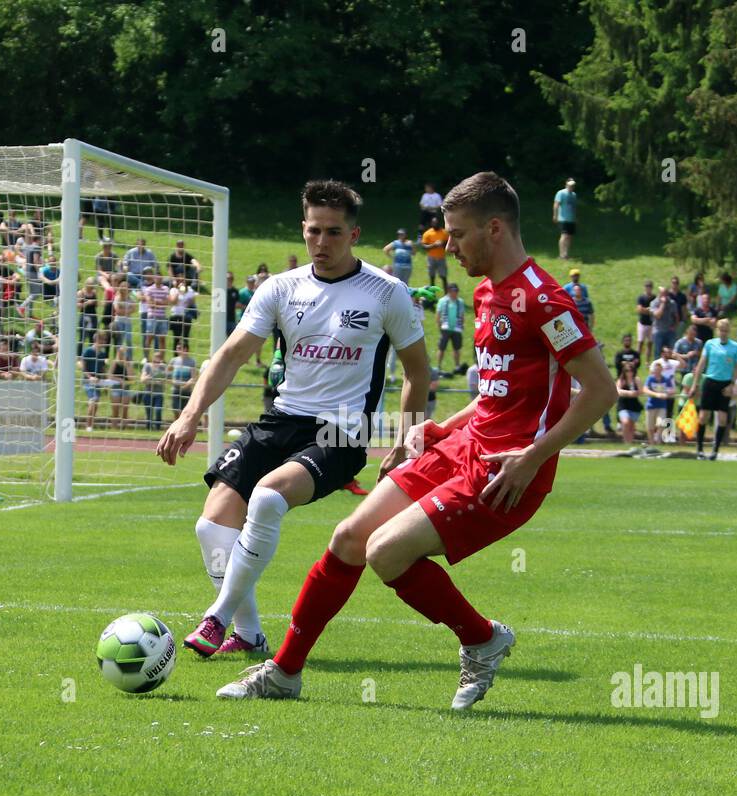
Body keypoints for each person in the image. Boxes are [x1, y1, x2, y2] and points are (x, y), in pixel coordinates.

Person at [216, 171, 614, 707]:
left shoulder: (544, 300)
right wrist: (441, 426)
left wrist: (532, 457)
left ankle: (480, 637)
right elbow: (497, 393)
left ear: (494, 229)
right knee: (349, 537)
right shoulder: (487, 291)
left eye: (457, 235)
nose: (448, 248)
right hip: (464, 445)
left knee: (384, 553)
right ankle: (284, 673)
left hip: (506, 470)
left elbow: (600, 390)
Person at [157, 179, 430, 659]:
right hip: (282, 419)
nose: (321, 243)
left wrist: (408, 438)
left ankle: (216, 617)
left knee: (267, 496)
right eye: (313, 231)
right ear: (302, 230)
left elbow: (417, 370)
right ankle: (249, 633)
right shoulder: (281, 289)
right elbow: (230, 355)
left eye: (333, 232)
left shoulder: (387, 293)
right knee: (212, 525)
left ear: (354, 234)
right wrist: (190, 415)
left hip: (341, 431)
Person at [642, 359, 675, 444]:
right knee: (650, 426)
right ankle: (651, 442)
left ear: (662, 370)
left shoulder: (666, 379)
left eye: (659, 369)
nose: (658, 371)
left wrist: (666, 393)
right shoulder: (650, 379)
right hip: (651, 405)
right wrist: (656, 394)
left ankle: (658, 440)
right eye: (656, 369)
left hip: (662, 405)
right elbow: (645, 389)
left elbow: (672, 390)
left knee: (660, 423)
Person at [436, 282, 465, 371]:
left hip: (457, 328)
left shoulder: (460, 302)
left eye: (456, 291)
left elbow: (462, 315)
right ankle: (439, 366)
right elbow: (438, 314)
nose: (455, 293)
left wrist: (462, 325)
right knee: (441, 348)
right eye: (453, 291)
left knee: (457, 349)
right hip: (445, 328)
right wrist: (439, 326)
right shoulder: (442, 301)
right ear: (449, 291)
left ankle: (457, 366)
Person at [615, 359, 643, 444]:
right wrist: (630, 393)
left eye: (631, 370)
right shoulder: (621, 380)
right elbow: (618, 391)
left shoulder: (636, 380)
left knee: (631, 426)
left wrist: (635, 393)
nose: (629, 373)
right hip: (623, 405)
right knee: (625, 422)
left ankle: (629, 443)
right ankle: (625, 440)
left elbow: (640, 391)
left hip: (634, 405)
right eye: (627, 371)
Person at [552, 177, 577, 259]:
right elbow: (556, 204)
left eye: (573, 185)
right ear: (566, 184)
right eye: (570, 185)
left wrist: (575, 217)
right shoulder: (561, 193)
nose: (571, 187)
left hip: (571, 219)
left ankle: (566, 254)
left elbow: (574, 207)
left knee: (569, 236)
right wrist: (555, 215)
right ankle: (561, 254)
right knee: (564, 235)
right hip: (563, 218)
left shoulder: (574, 195)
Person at [421, 216, 449, 287]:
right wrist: (434, 245)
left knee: (443, 276)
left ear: (439, 223)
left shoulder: (444, 233)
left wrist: (442, 244)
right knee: (432, 276)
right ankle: (433, 295)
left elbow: (448, 244)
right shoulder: (427, 233)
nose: (435, 224)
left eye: (436, 222)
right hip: (431, 258)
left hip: (441, 257)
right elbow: (424, 247)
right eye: (433, 222)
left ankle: (446, 294)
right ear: (431, 223)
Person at [635, 279, 656, 365]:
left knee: (650, 343)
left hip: (651, 323)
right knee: (640, 342)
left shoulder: (654, 297)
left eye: (649, 287)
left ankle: (647, 361)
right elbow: (639, 309)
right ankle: (636, 359)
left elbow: (655, 309)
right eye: (647, 286)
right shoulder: (641, 298)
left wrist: (646, 310)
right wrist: (649, 310)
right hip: (642, 323)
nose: (648, 288)